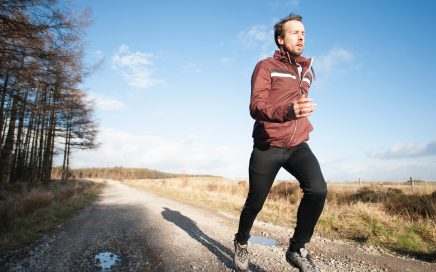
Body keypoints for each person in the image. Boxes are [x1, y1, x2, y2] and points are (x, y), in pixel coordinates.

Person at [233, 13, 327, 272]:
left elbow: (299, 103)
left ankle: (296, 249)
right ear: (280, 39)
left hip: (297, 144)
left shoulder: (307, 70)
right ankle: (241, 241)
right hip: (268, 144)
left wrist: (298, 113)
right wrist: (287, 110)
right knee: (256, 200)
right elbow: (256, 106)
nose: (301, 37)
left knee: (318, 190)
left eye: (304, 33)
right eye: (295, 32)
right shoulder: (266, 66)